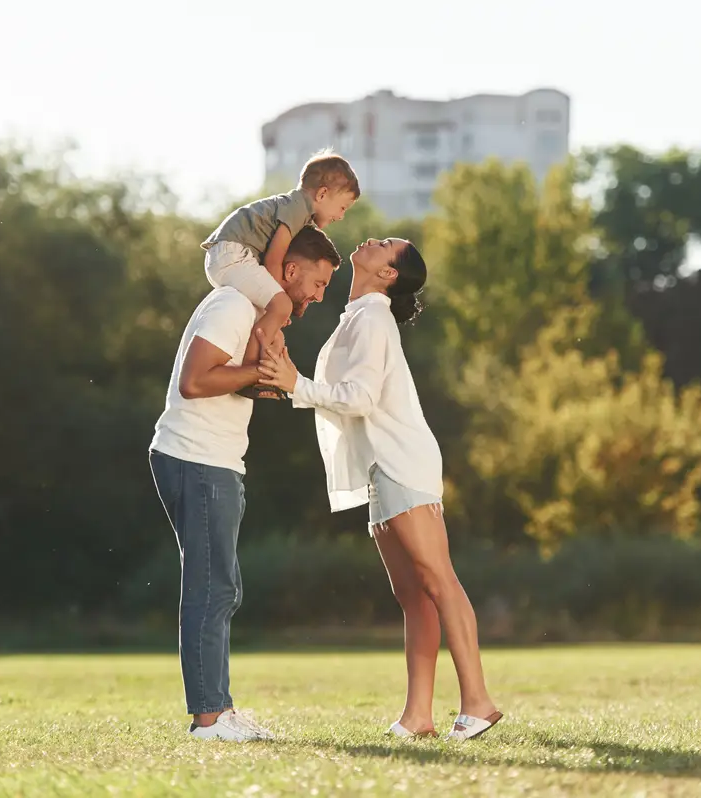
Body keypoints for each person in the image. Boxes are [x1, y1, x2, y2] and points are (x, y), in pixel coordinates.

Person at [255, 237, 503, 742]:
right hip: (381, 467)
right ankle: (418, 717)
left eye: (387, 245)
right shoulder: (357, 318)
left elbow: (360, 398)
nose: (373, 239)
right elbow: (342, 395)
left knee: (438, 580)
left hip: (401, 461)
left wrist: (295, 384)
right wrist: (289, 378)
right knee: (414, 595)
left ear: (389, 274)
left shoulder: (372, 318)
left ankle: (478, 702)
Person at [150, 226, 341, 741]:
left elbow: (231, 380)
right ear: (292, 270)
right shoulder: (233, 304)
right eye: (318, 284)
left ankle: (221, 709)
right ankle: (208, 719)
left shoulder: (256, 315)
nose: (318, 297)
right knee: (211, 588)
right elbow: (194, 381)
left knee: (222, 587)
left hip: (215, 460)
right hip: (197, 457)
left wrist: (269, 382)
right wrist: (255, 370)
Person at [200, 149, 359, 398]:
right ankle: (249, 375)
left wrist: (275, 307)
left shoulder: (300, 214)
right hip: (231, 254)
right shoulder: (296, 207)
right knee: (279, 307)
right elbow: (275, 257)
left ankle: (265, 376)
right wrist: (278, 301)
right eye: (342, 207)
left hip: (230, 257)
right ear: (322, 193)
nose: (341, 216)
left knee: (275, 324)